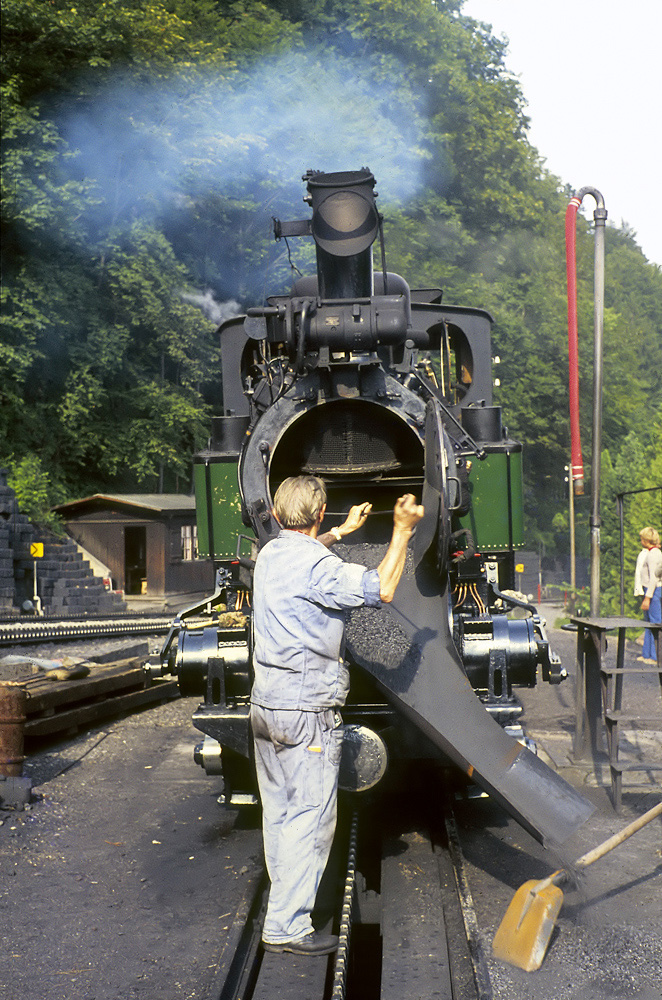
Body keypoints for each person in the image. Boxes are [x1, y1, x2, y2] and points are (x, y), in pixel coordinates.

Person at [250, 475, 424, 956]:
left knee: (281, 814)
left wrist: (342, 533)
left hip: (266, 707)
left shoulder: (270, 555)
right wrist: (402, 531)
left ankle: (281, 910)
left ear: (280, 516)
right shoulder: (319, 567)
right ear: (319, 511)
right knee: (311, 816)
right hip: (306, 711)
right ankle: (286, 926)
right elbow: (382, 588)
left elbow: (306, 557)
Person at [637, 526, 662, 665]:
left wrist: (648, 597)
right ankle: (647, 654)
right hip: (648, 589)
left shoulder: (654, 554)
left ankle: (655, 656)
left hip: (653, 591)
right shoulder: (652, 552)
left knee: (655, 623)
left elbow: (654, 577)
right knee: (648, 623)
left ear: (646, 540)